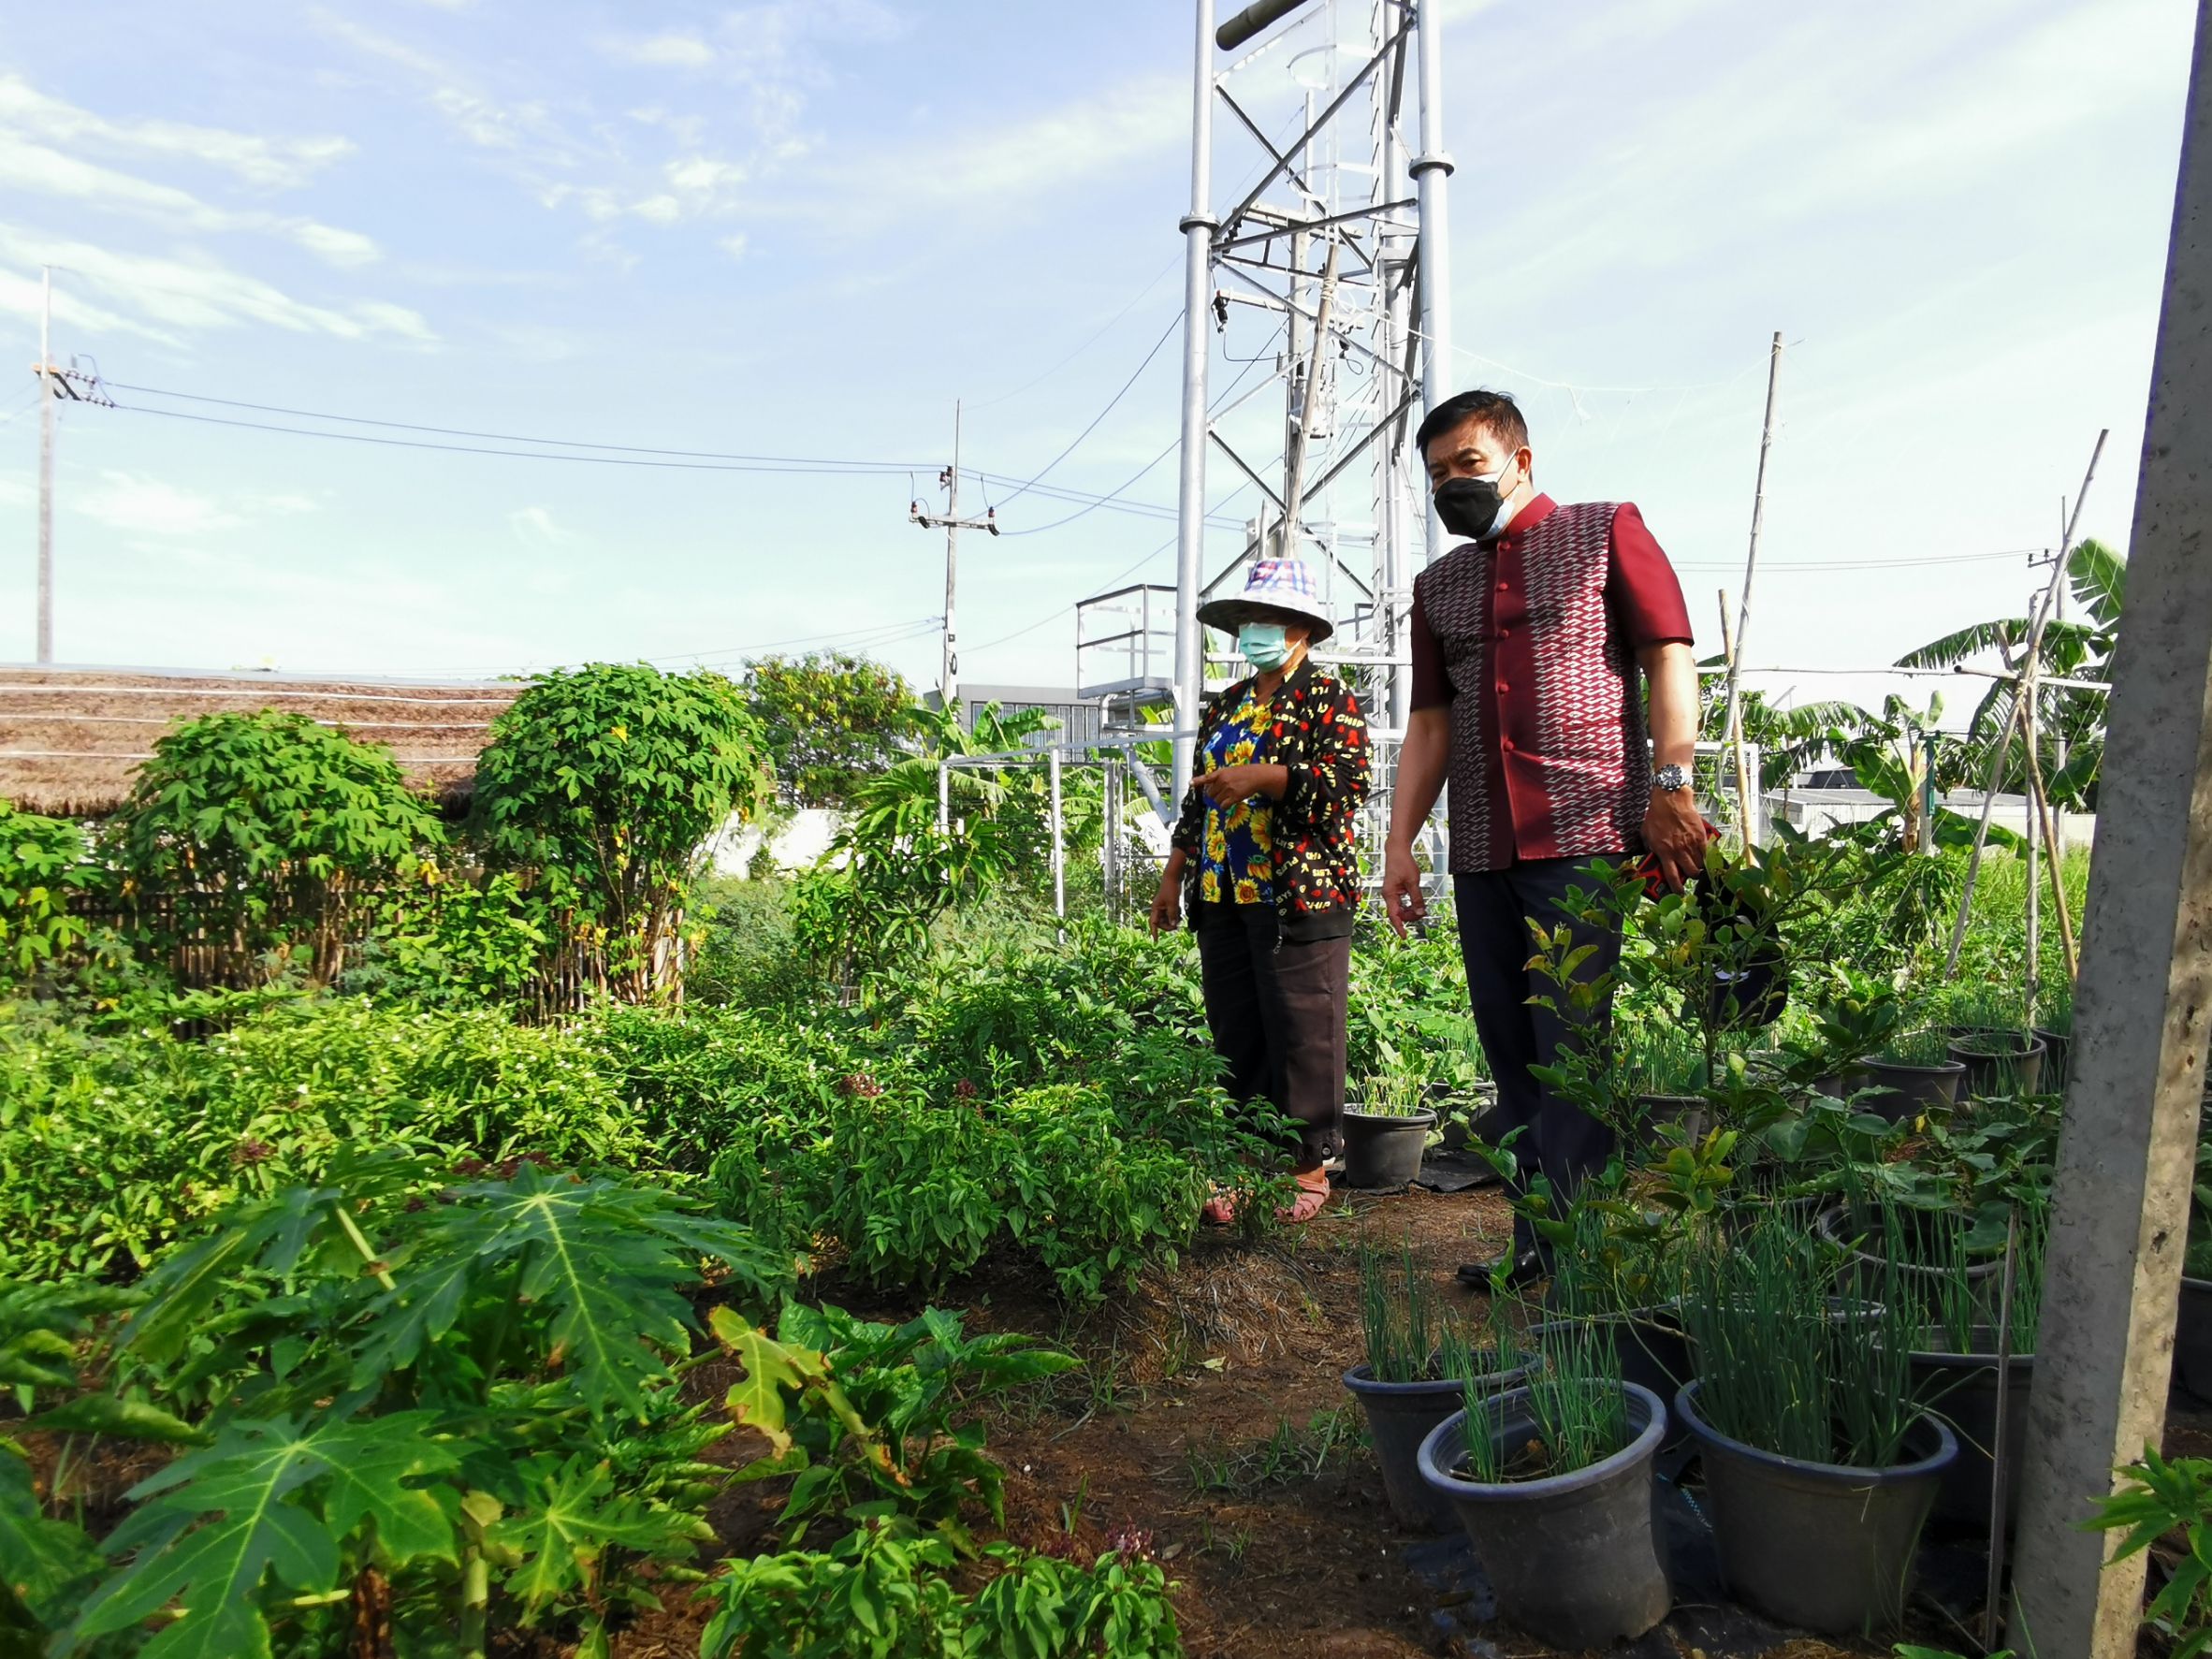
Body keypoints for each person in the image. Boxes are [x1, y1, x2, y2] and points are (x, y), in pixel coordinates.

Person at [1379, 388, 1703, 1286]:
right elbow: (1431, 724)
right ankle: (1540, 1244)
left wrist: (1672, 782)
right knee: (1508, 1051)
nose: (1452, 484)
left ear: (1520, 460)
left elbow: (1669, 656)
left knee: (1572, 1046)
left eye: (1468, 465)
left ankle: (1587, 1254)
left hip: (1585, 830)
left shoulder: (1605, 531)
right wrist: (1400, 842)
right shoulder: (1438, 585)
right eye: (1437, 473)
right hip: (1484, 845)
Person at [1151, 558, 1372, 1226]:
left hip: (1295, 892)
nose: (1253, 632)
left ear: (1301, 629)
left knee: (1302, 1028)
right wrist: (1173, 872)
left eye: (1266, 620)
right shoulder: (1229, 703)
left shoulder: (1326, 698)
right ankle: (1249, 1164)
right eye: (1247, 621)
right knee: (1237, 1029)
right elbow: (1196, 800)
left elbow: (1346, 785)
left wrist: (1267, 777)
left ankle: (1307, 1168)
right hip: (1222, 890)